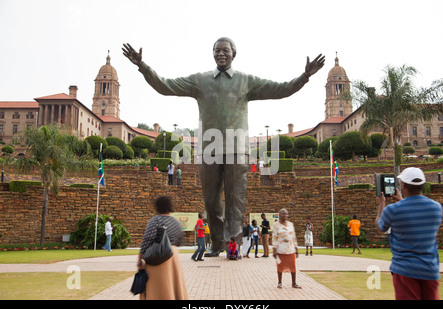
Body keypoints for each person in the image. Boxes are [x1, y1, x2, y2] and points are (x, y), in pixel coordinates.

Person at [123, 39, 325, 257]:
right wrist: (142, 66)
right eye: (217, 50)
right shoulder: (199, 80)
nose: (221, 54)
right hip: (209, 150)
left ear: (233, 54)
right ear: (212, 54)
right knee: (211, 201)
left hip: (237, 148)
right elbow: (165, 85)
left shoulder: (246, 80)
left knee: (236, 200)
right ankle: (217, 244)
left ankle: (233, 245)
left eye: (225, 51)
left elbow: (281, 89)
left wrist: (304, 77)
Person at [376, 167, 443, 300]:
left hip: (405, 270)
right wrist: (402, 201)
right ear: (422, 185)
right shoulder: (436, 208)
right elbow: (416, 219)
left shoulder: (393, 209)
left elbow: (380, 226)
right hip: (430, 270)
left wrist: (381, 204)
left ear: (403, 185)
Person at [137, 196, 188, 300]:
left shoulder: (155, 220)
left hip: (158, 256)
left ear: (157, 207)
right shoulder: (175, 222)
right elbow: (180, 240)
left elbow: (147, 240)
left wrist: (140, 258)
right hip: (173, 256)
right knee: (173, 285)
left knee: (158, 288)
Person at [272, 209, 301, 289]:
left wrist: (296, 248)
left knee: (292, 266)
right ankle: (280, 282)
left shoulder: (291, 224)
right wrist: (274, 249)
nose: (285, 215)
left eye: (286, 214)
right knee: (280, 266)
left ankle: (294, 283)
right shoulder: (276, 225)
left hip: (290, 249)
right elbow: (274, 237)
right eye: (283, 214)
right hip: (281, 249)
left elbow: (294, 237)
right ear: (279, 215)